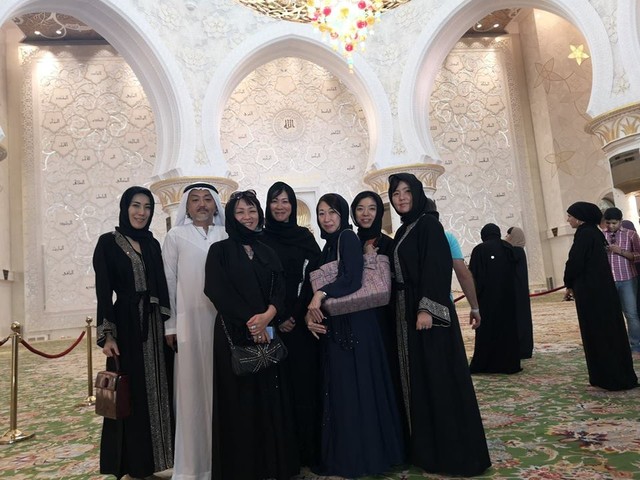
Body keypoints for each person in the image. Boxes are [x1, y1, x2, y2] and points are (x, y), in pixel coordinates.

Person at [388, 173, 490, 477]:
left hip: (427, 318)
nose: (401, 197)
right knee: (423, 381)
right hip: (409, 314)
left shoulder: (429, 225)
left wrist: (426, 309)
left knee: (438, 379)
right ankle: (428, 449)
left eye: (407, 191)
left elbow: (436, 267)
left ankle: (452, 453)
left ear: (418, 194)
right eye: (396, 193)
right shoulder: (406, 228)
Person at [306, 193, 404, 478]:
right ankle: (351, 454)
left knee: (357, 388)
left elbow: (352, 279)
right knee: (346, 390)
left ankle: (365, 457)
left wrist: (320, 294)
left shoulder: (347, 238)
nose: (327, 219)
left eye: (332, 212)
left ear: (342, 215)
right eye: (321, 213)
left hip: (356, 325)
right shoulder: (329, 245)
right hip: (341, 324)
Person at [204, 190, 300, 480]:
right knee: (240, 401)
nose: (247, 217)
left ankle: (273, 465)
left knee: (269, 395)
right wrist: (252, 323)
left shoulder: (267, 250)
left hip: (267, 329)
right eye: (240, 212)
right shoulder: (219, 251)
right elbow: (216, 290)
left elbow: (279, 289)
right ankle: (244, 469)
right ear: (231, 217)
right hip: (234, 332)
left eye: (252, 210)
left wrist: (268, 316)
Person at [93, 186, 174, 479]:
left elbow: (163, 286)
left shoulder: (152, 243)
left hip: (156, 326)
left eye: (147, 207)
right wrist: (108, 335)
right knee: (131, 394)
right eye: (136, 205)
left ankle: (161, 460)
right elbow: (104, 292)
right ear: (125, 207)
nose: (141, 212)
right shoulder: (108, 243)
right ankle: (133, 464)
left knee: (161, 390)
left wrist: (169, 325)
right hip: (127, 327)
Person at [162, 182, 227, 480]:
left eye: (207, 199)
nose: (202, 204)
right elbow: (168, 282)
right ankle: (194, 466)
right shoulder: (176, 236)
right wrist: (171, 325)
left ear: (216, 205)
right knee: (191, 392)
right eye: (195, 200)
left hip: (222, 323)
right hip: (188, 324)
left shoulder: (226, 235)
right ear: (186, 206)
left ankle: (225, 461)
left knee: (223, 388)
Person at [261, 181, 322, 467]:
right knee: (276, 391)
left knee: (304, 387)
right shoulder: (260, 239)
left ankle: (309, 452)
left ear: (293, 205)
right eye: (275, 200)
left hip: (301, 325)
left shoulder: (304, 238)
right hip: (271, 326)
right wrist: (278, 317)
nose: (280, 206)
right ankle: (283, 457)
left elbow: (314, 278)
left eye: (285, 201)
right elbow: (260, 283)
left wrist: (295, 315)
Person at [563, 202, 637, 390]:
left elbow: (575, 262)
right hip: (601, 290)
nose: (568, 219)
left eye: (570, 216)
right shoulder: (595, 233)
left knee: (599, 332)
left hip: (592, 293)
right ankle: (611, 375)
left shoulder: (585, 234)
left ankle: (608, 376)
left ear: (580, 218)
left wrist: (568, 282)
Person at [468, 223, 522, 374]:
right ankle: (509, 363)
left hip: (487, 298)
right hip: (508, 297)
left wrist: (474, 299)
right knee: (507, 329)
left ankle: (486, 364)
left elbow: (473, 275)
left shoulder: (479, 250)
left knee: (487, 329)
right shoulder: (508, 248)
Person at [423, 197, 481, 330]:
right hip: (444, 305)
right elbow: (463, 274)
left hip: (415, 308)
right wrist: (475, 308)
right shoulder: (447, 237)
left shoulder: (406, 238)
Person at [602, 207, 640, 356]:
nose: (611, 226)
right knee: (611, 315)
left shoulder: (631, 234)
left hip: (628, 279)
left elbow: (638, 255)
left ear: (620, 221)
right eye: (608, 223)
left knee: (631, 314)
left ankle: (636, 345)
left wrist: (620, 251)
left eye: (614, 223)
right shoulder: (601, 235)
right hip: (609, 281)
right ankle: (616, 346)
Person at [505, 226, 534, 359]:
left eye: (508, 235)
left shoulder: (514, 252)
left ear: (513, 236)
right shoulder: (519, 251)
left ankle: (519, 348)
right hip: (520, 290)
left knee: (518, 319)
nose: (506, 238)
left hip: (515, 291)